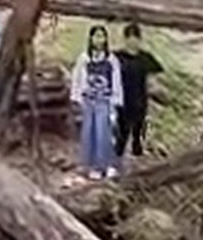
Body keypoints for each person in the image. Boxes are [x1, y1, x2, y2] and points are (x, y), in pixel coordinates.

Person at [70, 26, 124, 180]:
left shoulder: (111, 60)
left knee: (103, 133)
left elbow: (116, 81)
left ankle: (106, 165)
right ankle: (90, 165)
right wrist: (76, 98)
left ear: (106, 39)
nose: (99, 40)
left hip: (104, 100)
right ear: (91, 39)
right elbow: (77, 78)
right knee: (88, 133)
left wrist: (115, 102)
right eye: (96, 36)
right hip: (88, 100)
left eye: (102, 36)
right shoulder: (84, 58)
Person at [115, 23, 164, 159]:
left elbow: (156, 74)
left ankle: (138, 159)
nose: (132, 41)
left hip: (140, 99)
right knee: (122, 132)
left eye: (135, 37)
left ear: (139, 40)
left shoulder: (145, 58)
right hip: (122, 100)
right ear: (125, 39)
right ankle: (116, 160)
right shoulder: (117, 57)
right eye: (129, 37)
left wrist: (155, 89)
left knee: (138, 133)